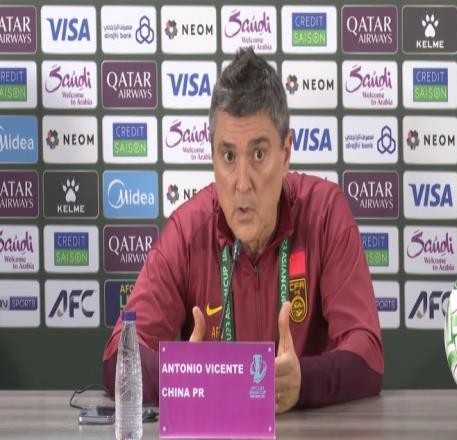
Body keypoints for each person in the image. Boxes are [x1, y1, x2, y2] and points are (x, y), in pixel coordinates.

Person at [103, 47, 383, 413]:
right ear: (212, 156)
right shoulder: (188, 230)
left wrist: (303, 382)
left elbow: (367, 355)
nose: (242, 183)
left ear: (286, 153)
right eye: (229, 156)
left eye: (259, 154)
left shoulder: (325, 213)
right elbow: (118, 355)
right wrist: (182, 375)